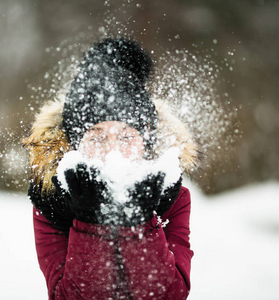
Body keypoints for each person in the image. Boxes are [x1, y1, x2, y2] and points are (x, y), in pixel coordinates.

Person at [24, 38, 198, 300]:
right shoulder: (52, 200)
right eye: (96, 137)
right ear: (74, 143)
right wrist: (91, 221)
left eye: (127, 136)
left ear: (146, 139)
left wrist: (138, 224)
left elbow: (169, 295)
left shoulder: (171, 196)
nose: (112, 150)